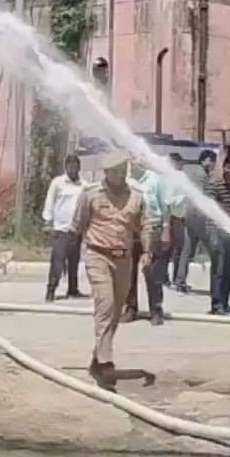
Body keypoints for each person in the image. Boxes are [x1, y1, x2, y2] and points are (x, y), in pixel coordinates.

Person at [71, 152, 153, 390]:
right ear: (105, 172)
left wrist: (147, 251)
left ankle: (98, 357)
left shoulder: (136, 197)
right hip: (98, 255)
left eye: (119, 170)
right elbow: (79, 224)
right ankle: (107, 364)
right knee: (105, 305)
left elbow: (145, 225)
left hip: (124, 259)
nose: (115, 175)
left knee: (116, 310)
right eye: (110, 171)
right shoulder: (91, 195)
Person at [127, 159, 170, 325]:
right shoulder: (126, 181)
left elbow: (164, 207)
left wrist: (166, 229)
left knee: (152, 273)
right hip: (131, 231)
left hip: (152, 228)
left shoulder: (155, 180)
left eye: (136, 158)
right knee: (129, 272)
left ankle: (156, 310)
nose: (133, 162)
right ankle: (130, 308)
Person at [41, 153, 86, 302]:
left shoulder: (84, 186)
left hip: (76, 230)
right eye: (70, 165)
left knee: (74, 262)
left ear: (79, 167)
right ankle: (51, 290)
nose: (73, 169)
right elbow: (50, 201)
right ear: (66, 167)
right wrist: (48, 221)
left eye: (76, 166)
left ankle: (73, 289)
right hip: (60, 230)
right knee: (58, 262)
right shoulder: (58, 183)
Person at [174, 149, 217, 292]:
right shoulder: (201, 174)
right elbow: (199, 197)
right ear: (207, 160)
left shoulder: (191, 171)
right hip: (198, 217)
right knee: (214, 249)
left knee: (187, 250)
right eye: (213, 161)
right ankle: (217, 282)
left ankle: (180, 281)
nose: (214, 165)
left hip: (188, 215)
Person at [207, 157, 230, 315]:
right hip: (218, 233)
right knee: (218, 270)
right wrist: (212, 235)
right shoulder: (215, 185)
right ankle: (216, 305)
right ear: (224, 168)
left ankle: (225, 302)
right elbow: (208, 210)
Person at [165, 153, 189, 289]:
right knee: (173, 249)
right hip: (173, 217)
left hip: (180, 217)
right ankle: (169, 278)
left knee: (177, 249)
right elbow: (168, 199)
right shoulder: (172, 177)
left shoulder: (179, 176)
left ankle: (175, 279)